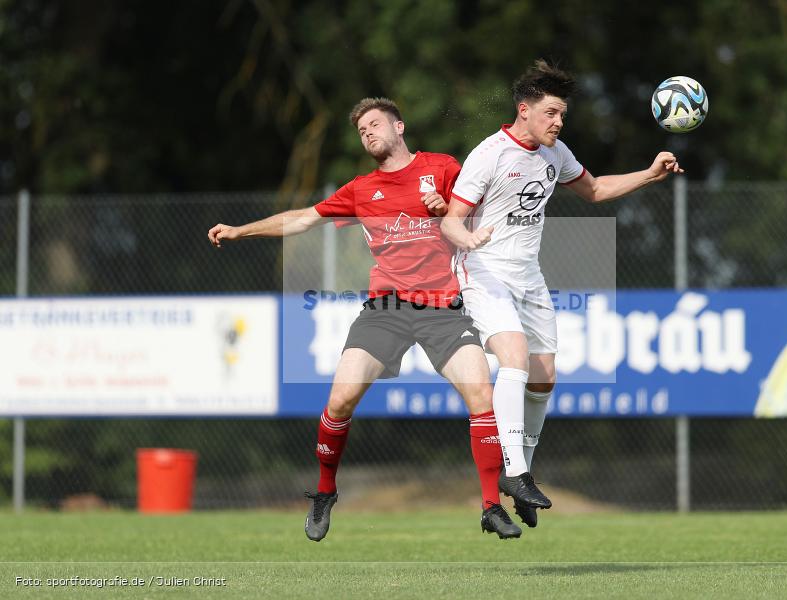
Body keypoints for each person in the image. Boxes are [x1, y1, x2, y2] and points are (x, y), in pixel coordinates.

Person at [208, 98, 523, 540]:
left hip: (443, 308)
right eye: (362, 130)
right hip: (385, 310)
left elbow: (483, 212)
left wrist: (448, 208)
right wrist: (242, 230)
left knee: (481, 395)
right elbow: (302, 219)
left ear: (400, 126)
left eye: (375, 124)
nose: (368, 133)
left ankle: (491, 505)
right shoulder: (361, 189)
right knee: (339, 401)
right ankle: (325, 491)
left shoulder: (442, 167)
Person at [441, 60, 684, 528]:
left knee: (544, 376)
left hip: (528, 274)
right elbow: (451, 219)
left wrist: (650, 174)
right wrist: (467, 239)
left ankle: (522, 481)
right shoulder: (489, 155)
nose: (557, 122)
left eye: (562, 115)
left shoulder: (556, 153)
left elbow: (594, 190)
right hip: (484, 269)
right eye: (550, 113)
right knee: (513, 356)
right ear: (524, 110)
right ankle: (515, 472)